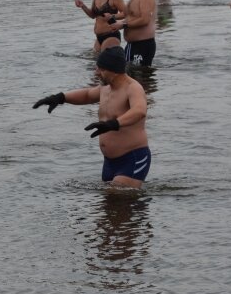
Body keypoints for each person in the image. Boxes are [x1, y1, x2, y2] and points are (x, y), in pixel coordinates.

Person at [32, 46, 150, 188]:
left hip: (133, 157)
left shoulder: (133, 88)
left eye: (100, 69)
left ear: (113, 70)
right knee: (109, 206)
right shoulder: (106, 88)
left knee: (119, 198)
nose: (96, 72)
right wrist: (60, 97)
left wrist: (112, 124)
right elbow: (87, 94)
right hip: (110, 162)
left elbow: (139, 111)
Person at [108, 0, 157, 67]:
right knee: (129, 74)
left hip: (143, 45)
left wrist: (123, 25)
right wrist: (113, 18)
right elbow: (128, 17)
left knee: (141, 76)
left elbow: (145, 20)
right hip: (132, 45)